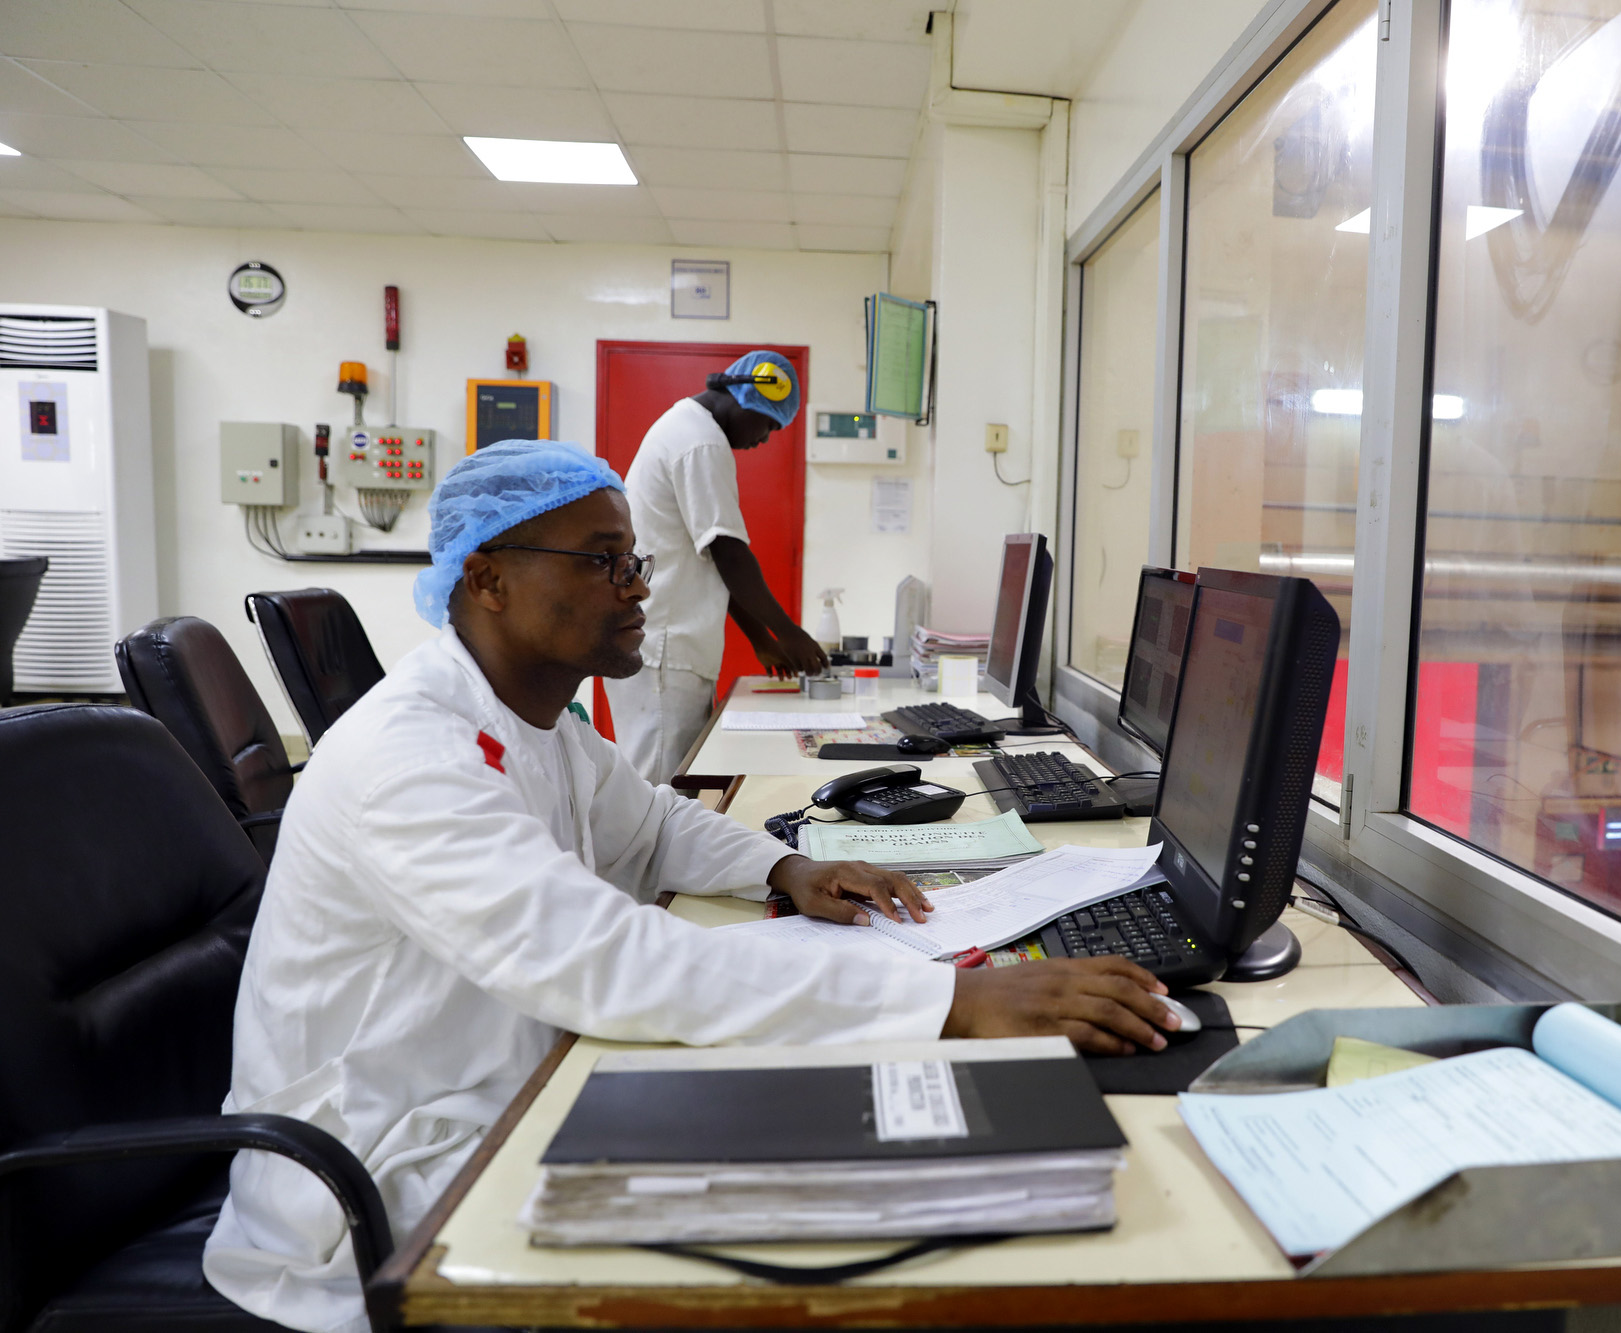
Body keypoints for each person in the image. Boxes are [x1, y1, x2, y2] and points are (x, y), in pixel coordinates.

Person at [201, 440, 1175, 1333]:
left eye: (635, 561)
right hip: (384, 1184)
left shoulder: (539, 720)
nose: (635, 589)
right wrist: (949, 999)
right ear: (488, 577)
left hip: (504, 1089)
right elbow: (607, 962)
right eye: (602, 561)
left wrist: (785, 865)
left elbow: (655, 822)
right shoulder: (411, 757)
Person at [603, 350, 827, 783]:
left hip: (667, 647)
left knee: (672, 792)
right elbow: (729, 552)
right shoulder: (701, 441)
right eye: (769, 425)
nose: (764, 439)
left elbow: (710, 558)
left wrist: (761, 637)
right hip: (664, 650)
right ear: (748, 399)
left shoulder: (687, 428)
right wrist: (790, 632)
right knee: (659, 795)